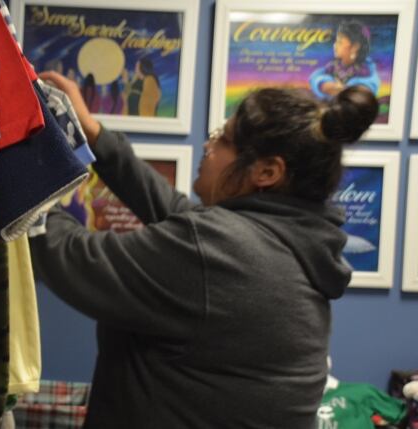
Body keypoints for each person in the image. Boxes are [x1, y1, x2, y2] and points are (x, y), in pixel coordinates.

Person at [35, 69, 379, 428]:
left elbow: (68, 255)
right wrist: (94, 135)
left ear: (266, 172)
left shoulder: (222, 251)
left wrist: (17, 169)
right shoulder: (288, 244)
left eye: (223, 140)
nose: (207, 145)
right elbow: (177, 211)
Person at [310, 20, 380, 100]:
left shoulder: (363, 70)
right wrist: (324, 84)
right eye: (336, 41)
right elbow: (317, 76)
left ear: (355, 47)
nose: (334, 45)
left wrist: (344, 90)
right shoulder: (333, 65)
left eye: (340, 42)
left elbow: (364, 90)